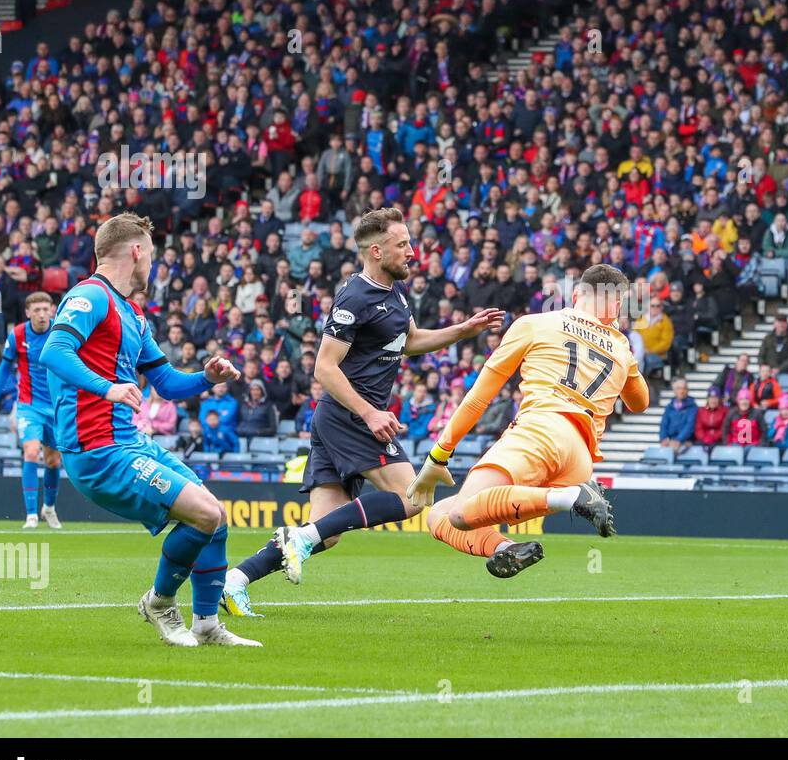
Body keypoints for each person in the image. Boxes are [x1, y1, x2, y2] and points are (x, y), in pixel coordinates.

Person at [223, 209, 503, 613]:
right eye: (402, 244)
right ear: (376, 250)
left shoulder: (394, 292)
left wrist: (462, 331)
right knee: (412, 497)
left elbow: (409, 341)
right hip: (349, 416)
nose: (412, 252)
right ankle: (297, 541)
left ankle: (236, 580)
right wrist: (370, 413)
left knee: (326, 533)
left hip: (340, 418)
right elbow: (324, 366)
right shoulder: (355, 296)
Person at [38, 214, 257, 647]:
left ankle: (207, 625)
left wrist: (207, 378)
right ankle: (159, 603)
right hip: (97, 451)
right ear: (137, 251)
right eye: (151, 255)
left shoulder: (134, 314)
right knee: (205, 513)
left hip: (130, 441)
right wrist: (109, 388)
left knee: (215, 516)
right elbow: (54, 350)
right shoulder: (90, 296)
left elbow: (168, 383)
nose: (152, 265)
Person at [410, 264, 649, 578]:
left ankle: (572, 497)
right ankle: (504, 548)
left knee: (458, 514)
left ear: (576, 294)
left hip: (540, 432)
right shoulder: (623, 351)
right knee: (439, 515)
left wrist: (439, 454)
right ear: (617, 305)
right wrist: (615, 337)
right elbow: (640, 403)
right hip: (579, 461)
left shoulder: (536, 324)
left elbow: (479, 397)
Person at [0, 292, 62, 529]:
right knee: (30, 452)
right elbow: (5, 370)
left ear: (52, 310)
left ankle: (48, 508)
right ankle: (31, 515)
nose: (41, 314)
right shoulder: (18, 334)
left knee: (53, 461)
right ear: (28, 313)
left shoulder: (61, 333)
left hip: (56, 407)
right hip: (29, 405)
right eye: (36, 310)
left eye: (44, 309)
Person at [658, 378, 696, 453]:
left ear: (687, 391)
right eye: (679, 388)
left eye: (684, 388)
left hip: (686, 441)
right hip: (670, 440)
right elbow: (664, 424)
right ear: (674, 391)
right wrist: (663, 438)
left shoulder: (693, 407)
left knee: (672, 452)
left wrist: (678, 440)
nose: (681, 391)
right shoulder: (669, 407)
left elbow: (690, 426)